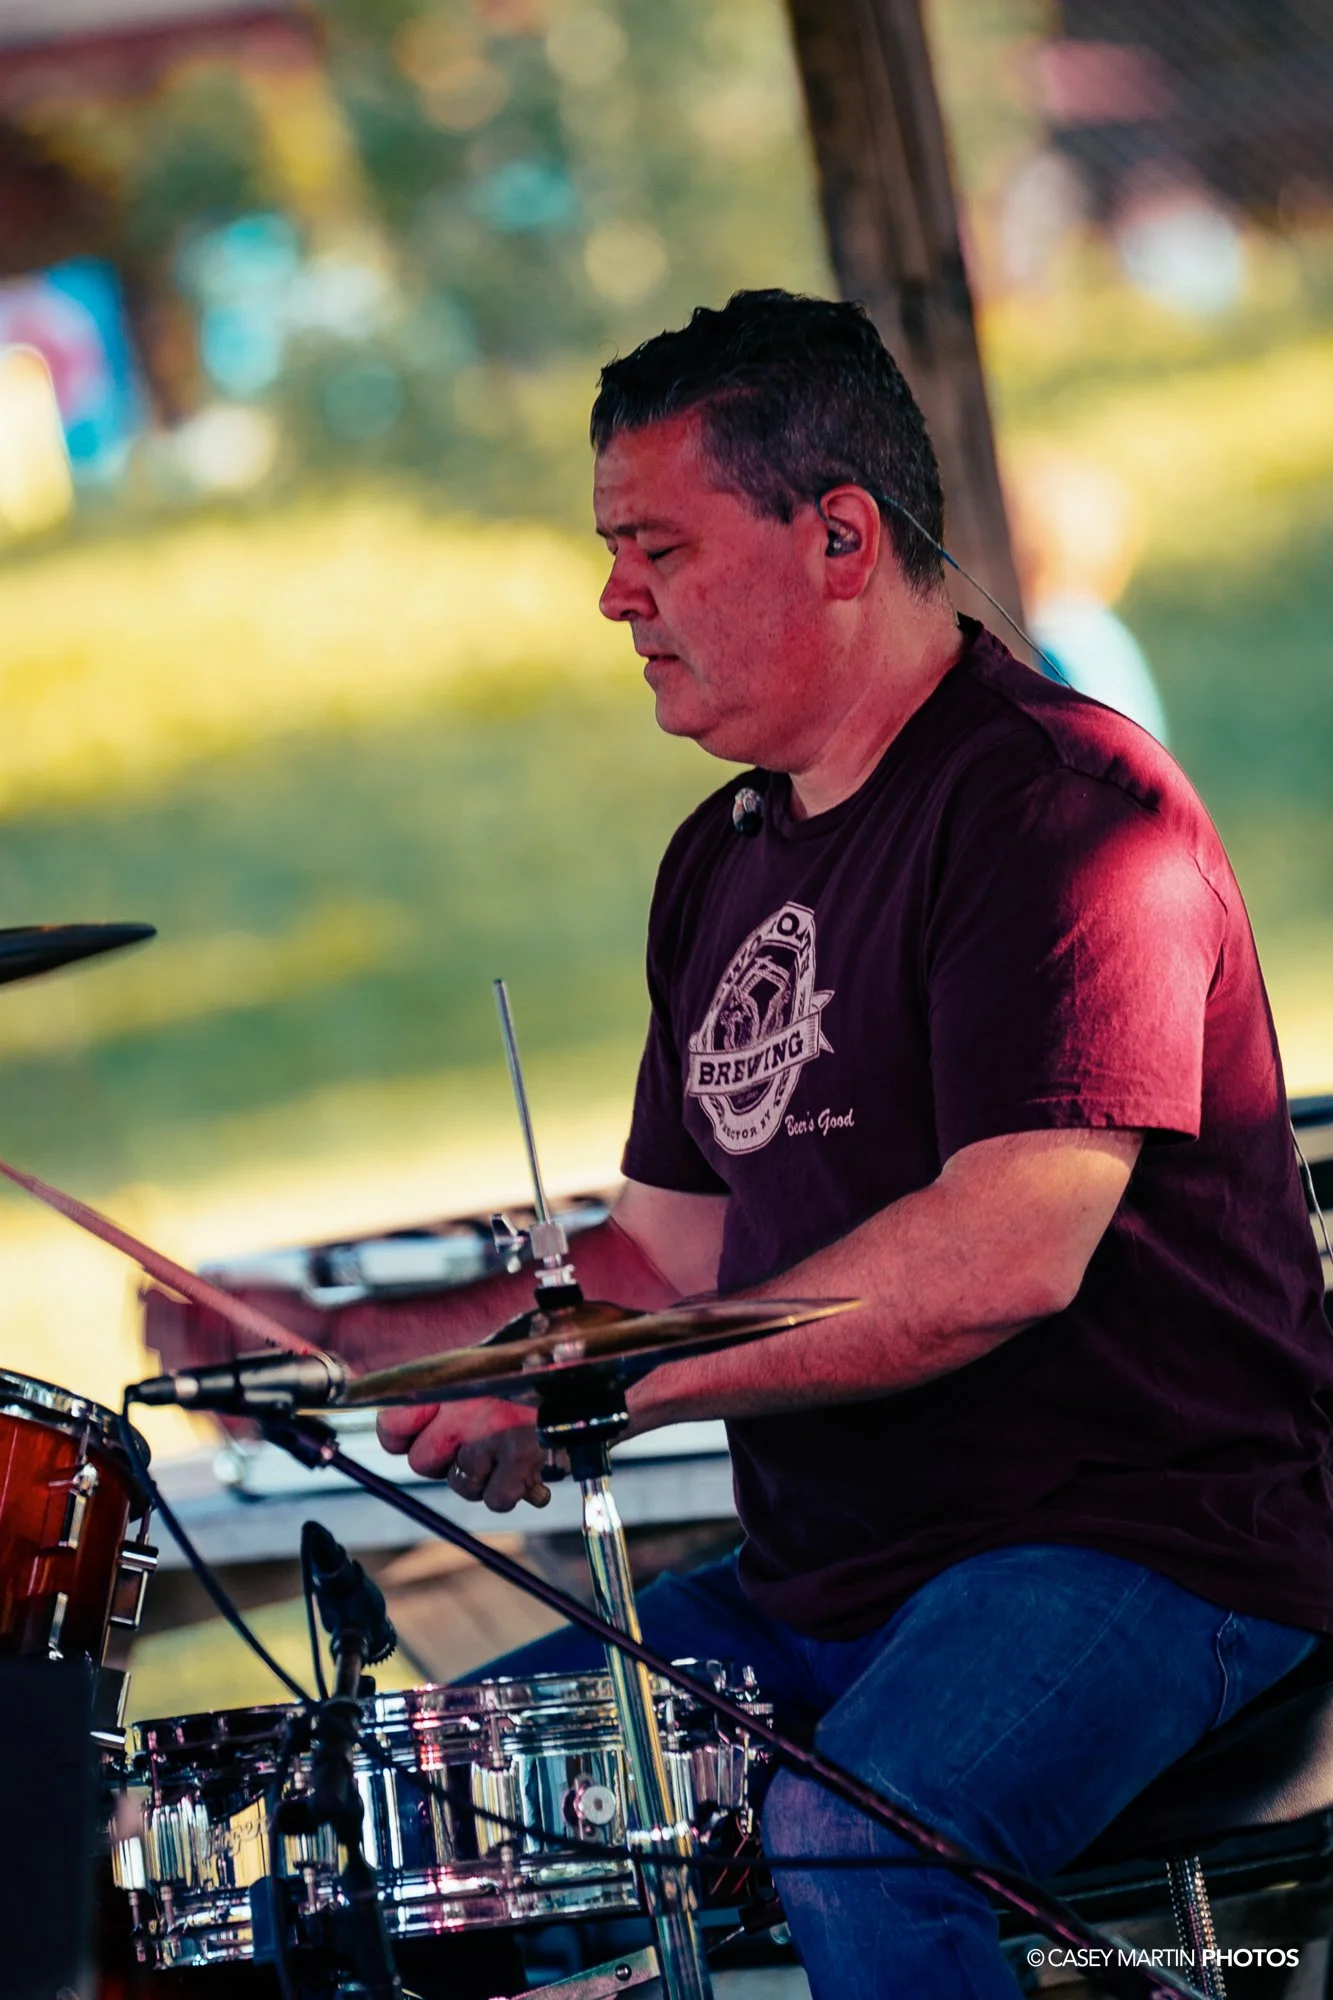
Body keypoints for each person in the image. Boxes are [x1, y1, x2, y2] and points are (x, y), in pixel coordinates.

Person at [148, 290, 1333, 1999]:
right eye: (611, 552)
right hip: (827, 1579)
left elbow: (1005, 1253)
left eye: (659, 548)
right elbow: (658, 1262)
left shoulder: (1063, 811)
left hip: (1148, 1544)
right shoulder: (722, 858)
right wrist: (344, 1345)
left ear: (840, 537)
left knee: (858, 1838)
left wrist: (601, 1391)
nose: (616, 597)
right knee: (413, 1826)